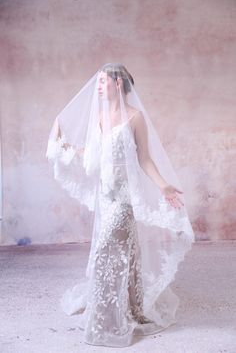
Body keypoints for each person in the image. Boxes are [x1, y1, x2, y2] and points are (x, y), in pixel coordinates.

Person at [46, 63, 195, 347]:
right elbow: (94, 154)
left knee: (106, 251)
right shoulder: (100, 116)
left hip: (124, 199)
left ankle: (109, 320)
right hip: (105, 196)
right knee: (122, 253)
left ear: (118, 83)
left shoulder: (136, 118)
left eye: (102, 81)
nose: (98, 86)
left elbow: (145, 159)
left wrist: (163, 184)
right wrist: (65, 146)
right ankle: (129, 306)